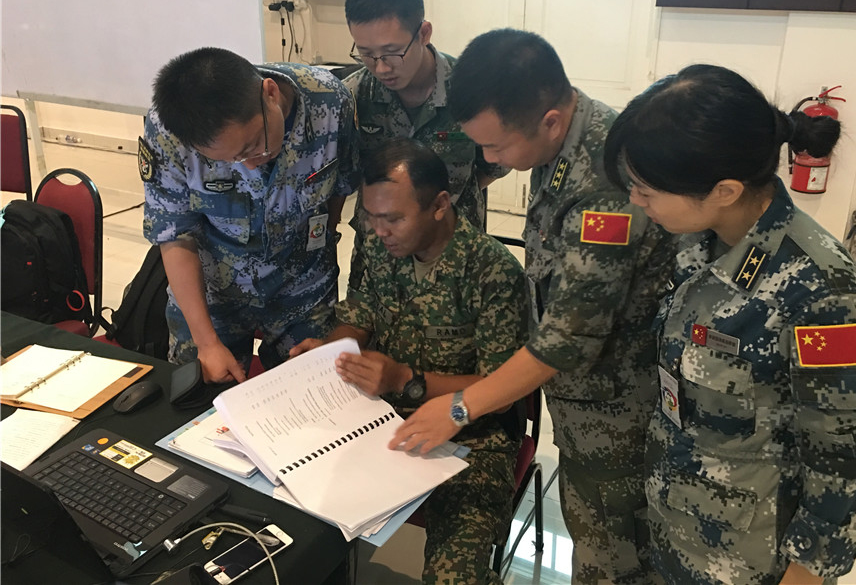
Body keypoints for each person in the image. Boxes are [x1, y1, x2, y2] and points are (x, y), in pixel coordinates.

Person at [391, 29, 676, 585]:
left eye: (496, 147)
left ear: (549, 120)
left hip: (618, 414)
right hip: (582, 405)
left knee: (612, 561)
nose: (488, 160)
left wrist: (459, 408)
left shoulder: (605, 186)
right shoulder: (559, 145)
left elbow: (566, 339)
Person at [602, 64, 856, 585]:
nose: (635, 202)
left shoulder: (822, 296)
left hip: (747, 564)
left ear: (725, 190)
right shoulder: (698, 242)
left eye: (646, 190)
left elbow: (849, 469)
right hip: (676, 529)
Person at [290, 138, 528, 585]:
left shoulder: (492, 272)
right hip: (379, 418)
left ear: (439, 205)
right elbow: (361, 311)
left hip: (471, 438)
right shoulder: (380, 244)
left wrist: (405, 379)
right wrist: (331, 352)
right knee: (291, 524)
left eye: (394, 218)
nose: (380, 231)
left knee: (454, 577)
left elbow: (500, 391)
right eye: (371, 217)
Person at [141, 47, 359, 383]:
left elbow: (340, 187)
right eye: (229, 160)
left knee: (314, 394)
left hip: (303, 286)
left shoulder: (329, 101)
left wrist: (323, 240)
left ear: (270, 93)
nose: (252, 164)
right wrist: (206, 343)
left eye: (254, 144)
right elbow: (175, 236)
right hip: (213, 294)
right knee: (202, 403)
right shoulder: (170, 130)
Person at [342, 0, 508, 245]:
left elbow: (494, 166)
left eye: (393, 52)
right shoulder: (353, 96)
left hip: (453, 246)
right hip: (380, 249)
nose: (381, 68)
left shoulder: (472, 90)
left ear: (423, 33)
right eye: (366, 54)